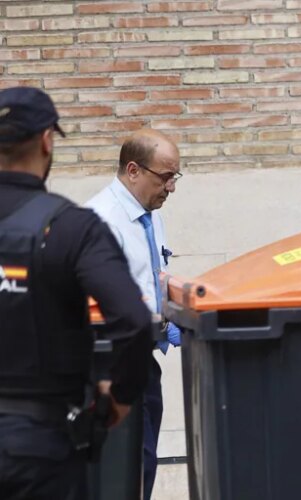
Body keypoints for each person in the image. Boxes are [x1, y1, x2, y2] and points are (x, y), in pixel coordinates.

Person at [0, 86, 152, 499]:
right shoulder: (72, 227)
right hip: (40, 448)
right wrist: (118, 398)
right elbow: (134, 321)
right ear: (48, 140)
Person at [86, 129, 182, 500]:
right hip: (112, 365)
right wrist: (163, 325)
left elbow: (149, 277)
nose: (171, 187)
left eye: (176, 176)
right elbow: (105, 300)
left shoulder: (149, 213)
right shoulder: (100, 222)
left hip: (143, 359)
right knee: (125, 469)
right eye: (166, 176)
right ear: (133, 170)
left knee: (143, 462)